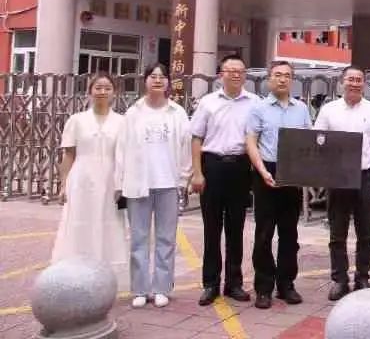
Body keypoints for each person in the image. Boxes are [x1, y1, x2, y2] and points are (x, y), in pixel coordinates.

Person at [116, 63, 192, 308]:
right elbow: (121, 149)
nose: (158, 80)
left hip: (168, 183)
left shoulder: (177, 112)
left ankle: (161, 287)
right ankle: (140, 289)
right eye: (153, 76)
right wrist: (120, 181)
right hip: (138, 183)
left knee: (166, 238)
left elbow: (186, 147)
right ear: (145, 80)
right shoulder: (133, 112)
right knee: (138, 238)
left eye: (162, 76)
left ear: (168, 82)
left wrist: (184, 179)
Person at [313, 67, 370, 301]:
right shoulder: (329, 110)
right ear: (342, 82)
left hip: (366, 176)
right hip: (338, 178)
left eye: (359, 80)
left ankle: (362, 277)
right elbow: (318, 141)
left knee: (366, 231)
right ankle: (340, 279)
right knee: (337, 232)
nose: (355, 83)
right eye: (351, 79)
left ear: (364, 84)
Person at [190, 54, 258, 306]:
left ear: (245, 75)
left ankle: (234, 283)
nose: (236, 74)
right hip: (213, 167)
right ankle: (210, 283)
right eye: (230, 70)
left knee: (236, 228)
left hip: (240, 168)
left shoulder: (254, 103)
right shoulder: (207, 102)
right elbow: (196, 138)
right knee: (212, 228)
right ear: (221, 74)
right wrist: (197, 173)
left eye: (240, 71)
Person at [246, 60, 312, 309]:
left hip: (292, 174)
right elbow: (251, 142)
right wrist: (262, 171)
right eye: (277, 75)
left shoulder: (301, 108)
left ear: (292, 79)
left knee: (289, 233)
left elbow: (308, 141)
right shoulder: (259, 108)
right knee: (264, 233)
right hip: (266, 171)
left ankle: (286, 285)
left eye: (286, 75)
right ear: (269, 79)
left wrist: (305, 172)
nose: (282, 79)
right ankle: (263, 288)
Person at [51, 73, 127, 278]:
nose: (102, 92)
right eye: (98, 88)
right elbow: (69, 155)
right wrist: (63, 184)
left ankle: (105, 273)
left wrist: (122, 183)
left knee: (109, 223)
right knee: (79, 223)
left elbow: (125, 156)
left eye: (107, 88)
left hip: (110, 181)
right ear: (89, 91)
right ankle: (75, 271)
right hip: (81, 179)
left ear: (114, 93)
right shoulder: (77, 120)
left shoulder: (122, 122)